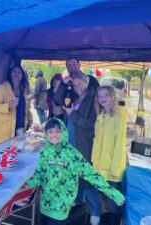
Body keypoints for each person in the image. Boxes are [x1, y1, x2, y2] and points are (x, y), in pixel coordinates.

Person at [27, 118, 125, 225]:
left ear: (64, 132)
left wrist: (115, 194)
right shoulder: (45, 152)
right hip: (45, 204)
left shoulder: (72, 154)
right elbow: (40, 175)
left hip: (60, 208)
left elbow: (92, 175)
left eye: (57, 131)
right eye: (50, 131)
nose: (54, 135)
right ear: (46, 134)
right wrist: (27, 185)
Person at [62, 72, 101, 225]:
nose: (77, 87)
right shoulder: (78, 97)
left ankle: (96, 211)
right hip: (72, 143)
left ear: (87, 84)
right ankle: (77, 199)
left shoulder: (93, 100)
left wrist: (72, 113)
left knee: (87, 179)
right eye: (75, 84)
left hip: (84, 145)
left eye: (80, 84)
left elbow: (90, 125)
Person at [91, 85, 127, 225]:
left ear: (113, 97)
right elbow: (97, 140)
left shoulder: (120, 115)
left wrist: (115, 169)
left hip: (112, 168)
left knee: (113, 203)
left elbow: (119, 144)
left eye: (106, 95)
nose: (103, 99)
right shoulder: (100, 116)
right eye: (100, 96)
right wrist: (94, 162)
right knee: (103, 198)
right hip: (100, 166)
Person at [0, 65, 33, 145]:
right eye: (14, 71)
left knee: (16, 152)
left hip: (20, 128)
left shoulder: (24, 90)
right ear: (10, 74)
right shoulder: (2, 88)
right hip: (4, 130)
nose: (17, 73)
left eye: (19, 72)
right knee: (4, 154)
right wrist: (8, 106)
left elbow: (26, 107)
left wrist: (30, 118)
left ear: (22, 76)